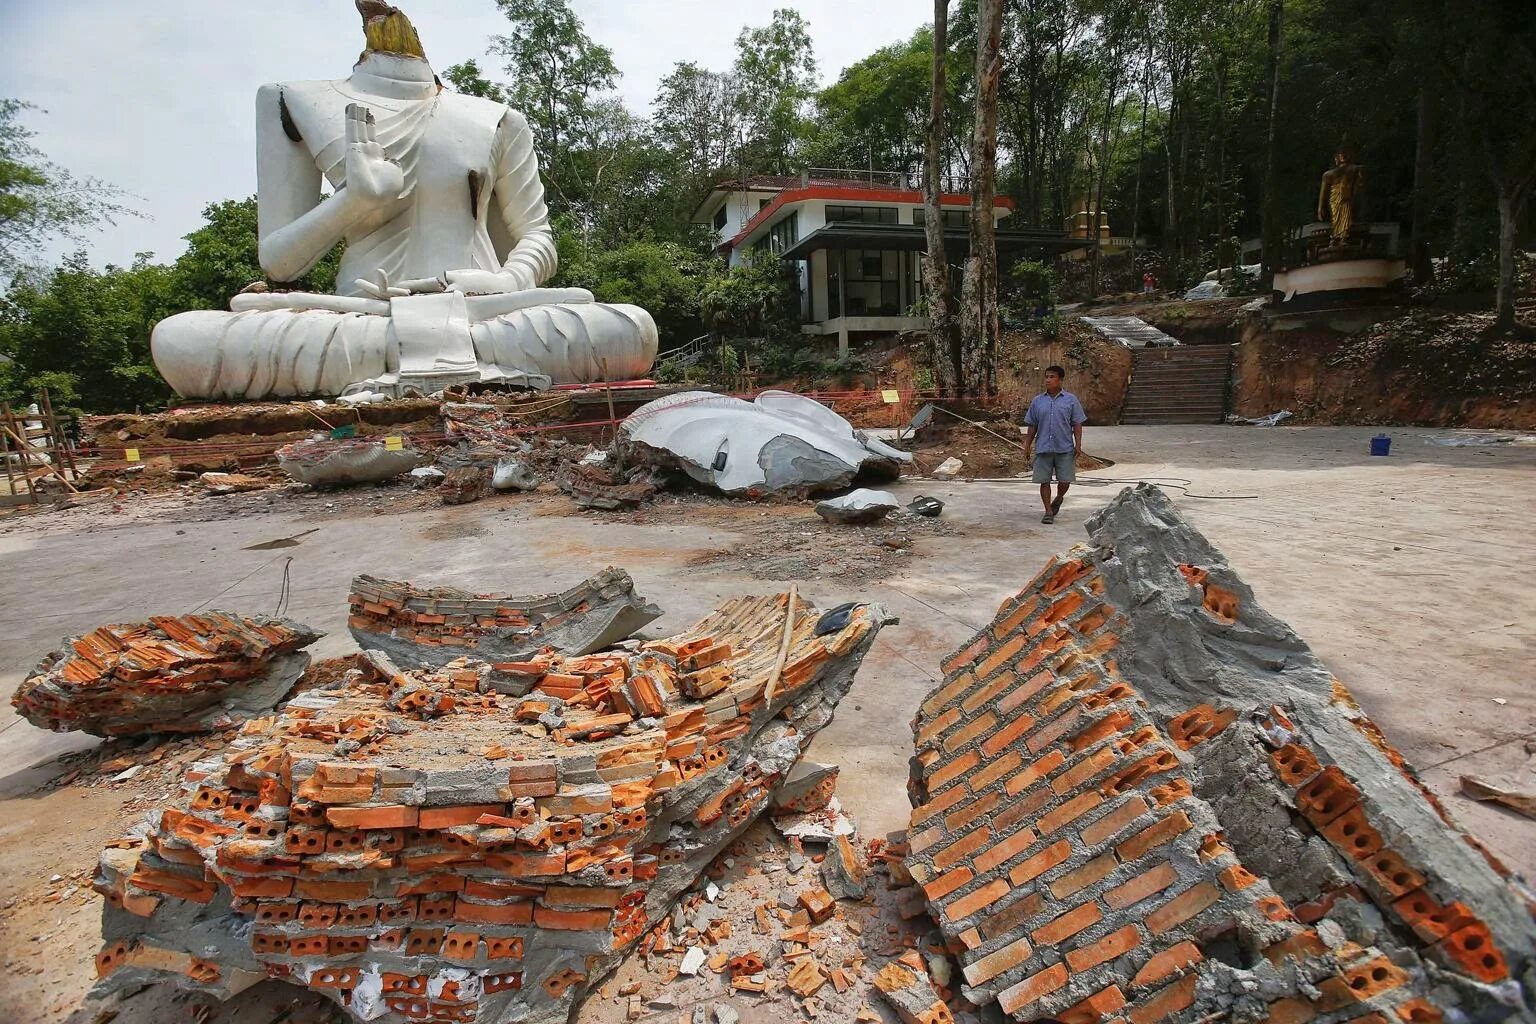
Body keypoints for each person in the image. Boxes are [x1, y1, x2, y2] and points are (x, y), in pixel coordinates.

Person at [1021, 366, 1087, 524]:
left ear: (1060, 379)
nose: (1048, 380)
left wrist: (1078, 444)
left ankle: (1058, 498)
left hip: (1064, 447)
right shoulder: (1038, 401)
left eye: (1052, 377)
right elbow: (1032, 425)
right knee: (1044, 481)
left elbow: (1077, 423)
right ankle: (1048, 511)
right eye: (1046, 377)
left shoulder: (1071, 400)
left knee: (1065, 480)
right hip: (1043, 447)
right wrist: (1027, 445)